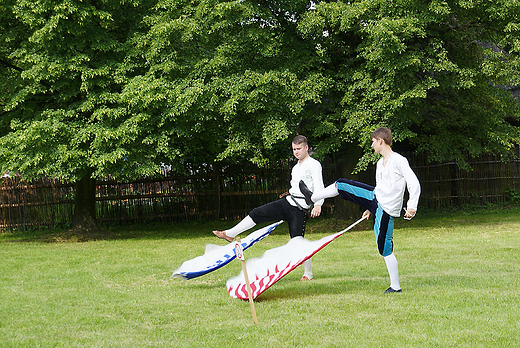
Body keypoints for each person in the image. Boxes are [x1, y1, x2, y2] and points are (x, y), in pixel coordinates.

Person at [299, 127, 420, 293]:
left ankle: (395, 287)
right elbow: (380, 187)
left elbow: (414, 183)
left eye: (372, 142)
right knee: (342, 184)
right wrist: (370, 208)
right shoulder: (380, 163)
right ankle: (312, 198)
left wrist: (412, 206)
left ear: (380, 141)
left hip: (385, 209)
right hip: (374, 199)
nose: (372, 146)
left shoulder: (399, 160)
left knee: (384, 248)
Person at [213, 135, 325, 281]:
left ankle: (308, 274)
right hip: (287, 202)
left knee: (298, 241)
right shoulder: (296, 168)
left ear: (306, 148)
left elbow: (319, 186)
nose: (296, 152)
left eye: (298, 149)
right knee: (257, 213)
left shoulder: (314, 164)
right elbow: (296, 186)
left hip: (299, 209)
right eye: (293, 149)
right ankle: (230, 233)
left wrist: (318, 204)